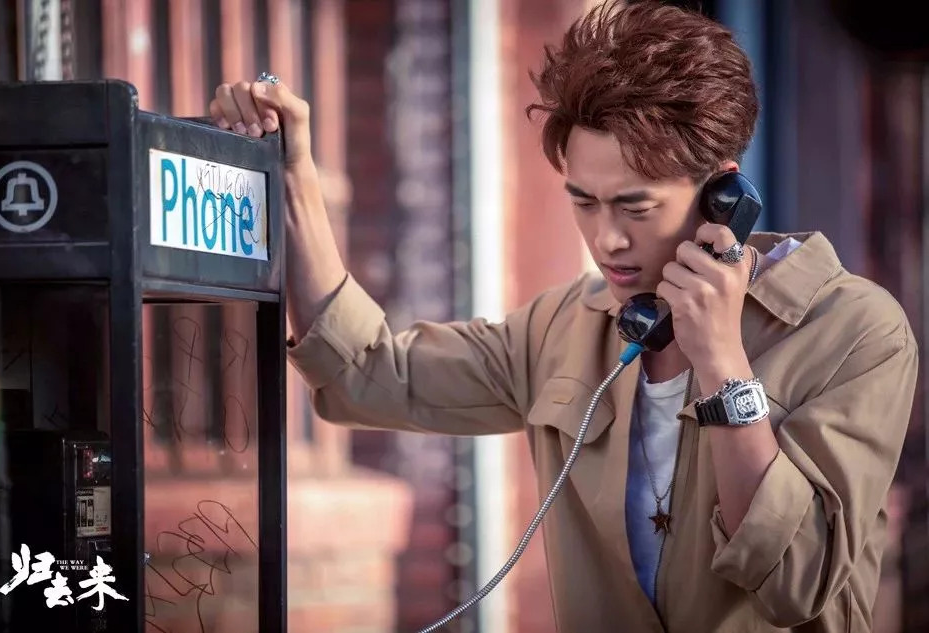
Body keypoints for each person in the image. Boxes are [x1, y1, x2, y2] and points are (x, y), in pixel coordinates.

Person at [208, 1, 918, 631]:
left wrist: (724, 365)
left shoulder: (855, 331)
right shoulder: (565, 327)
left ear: (721, 196)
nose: (607, 241)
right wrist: (294, 177)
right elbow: (367, 373)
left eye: (636, 207)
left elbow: (797, 583)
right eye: (584, 202)